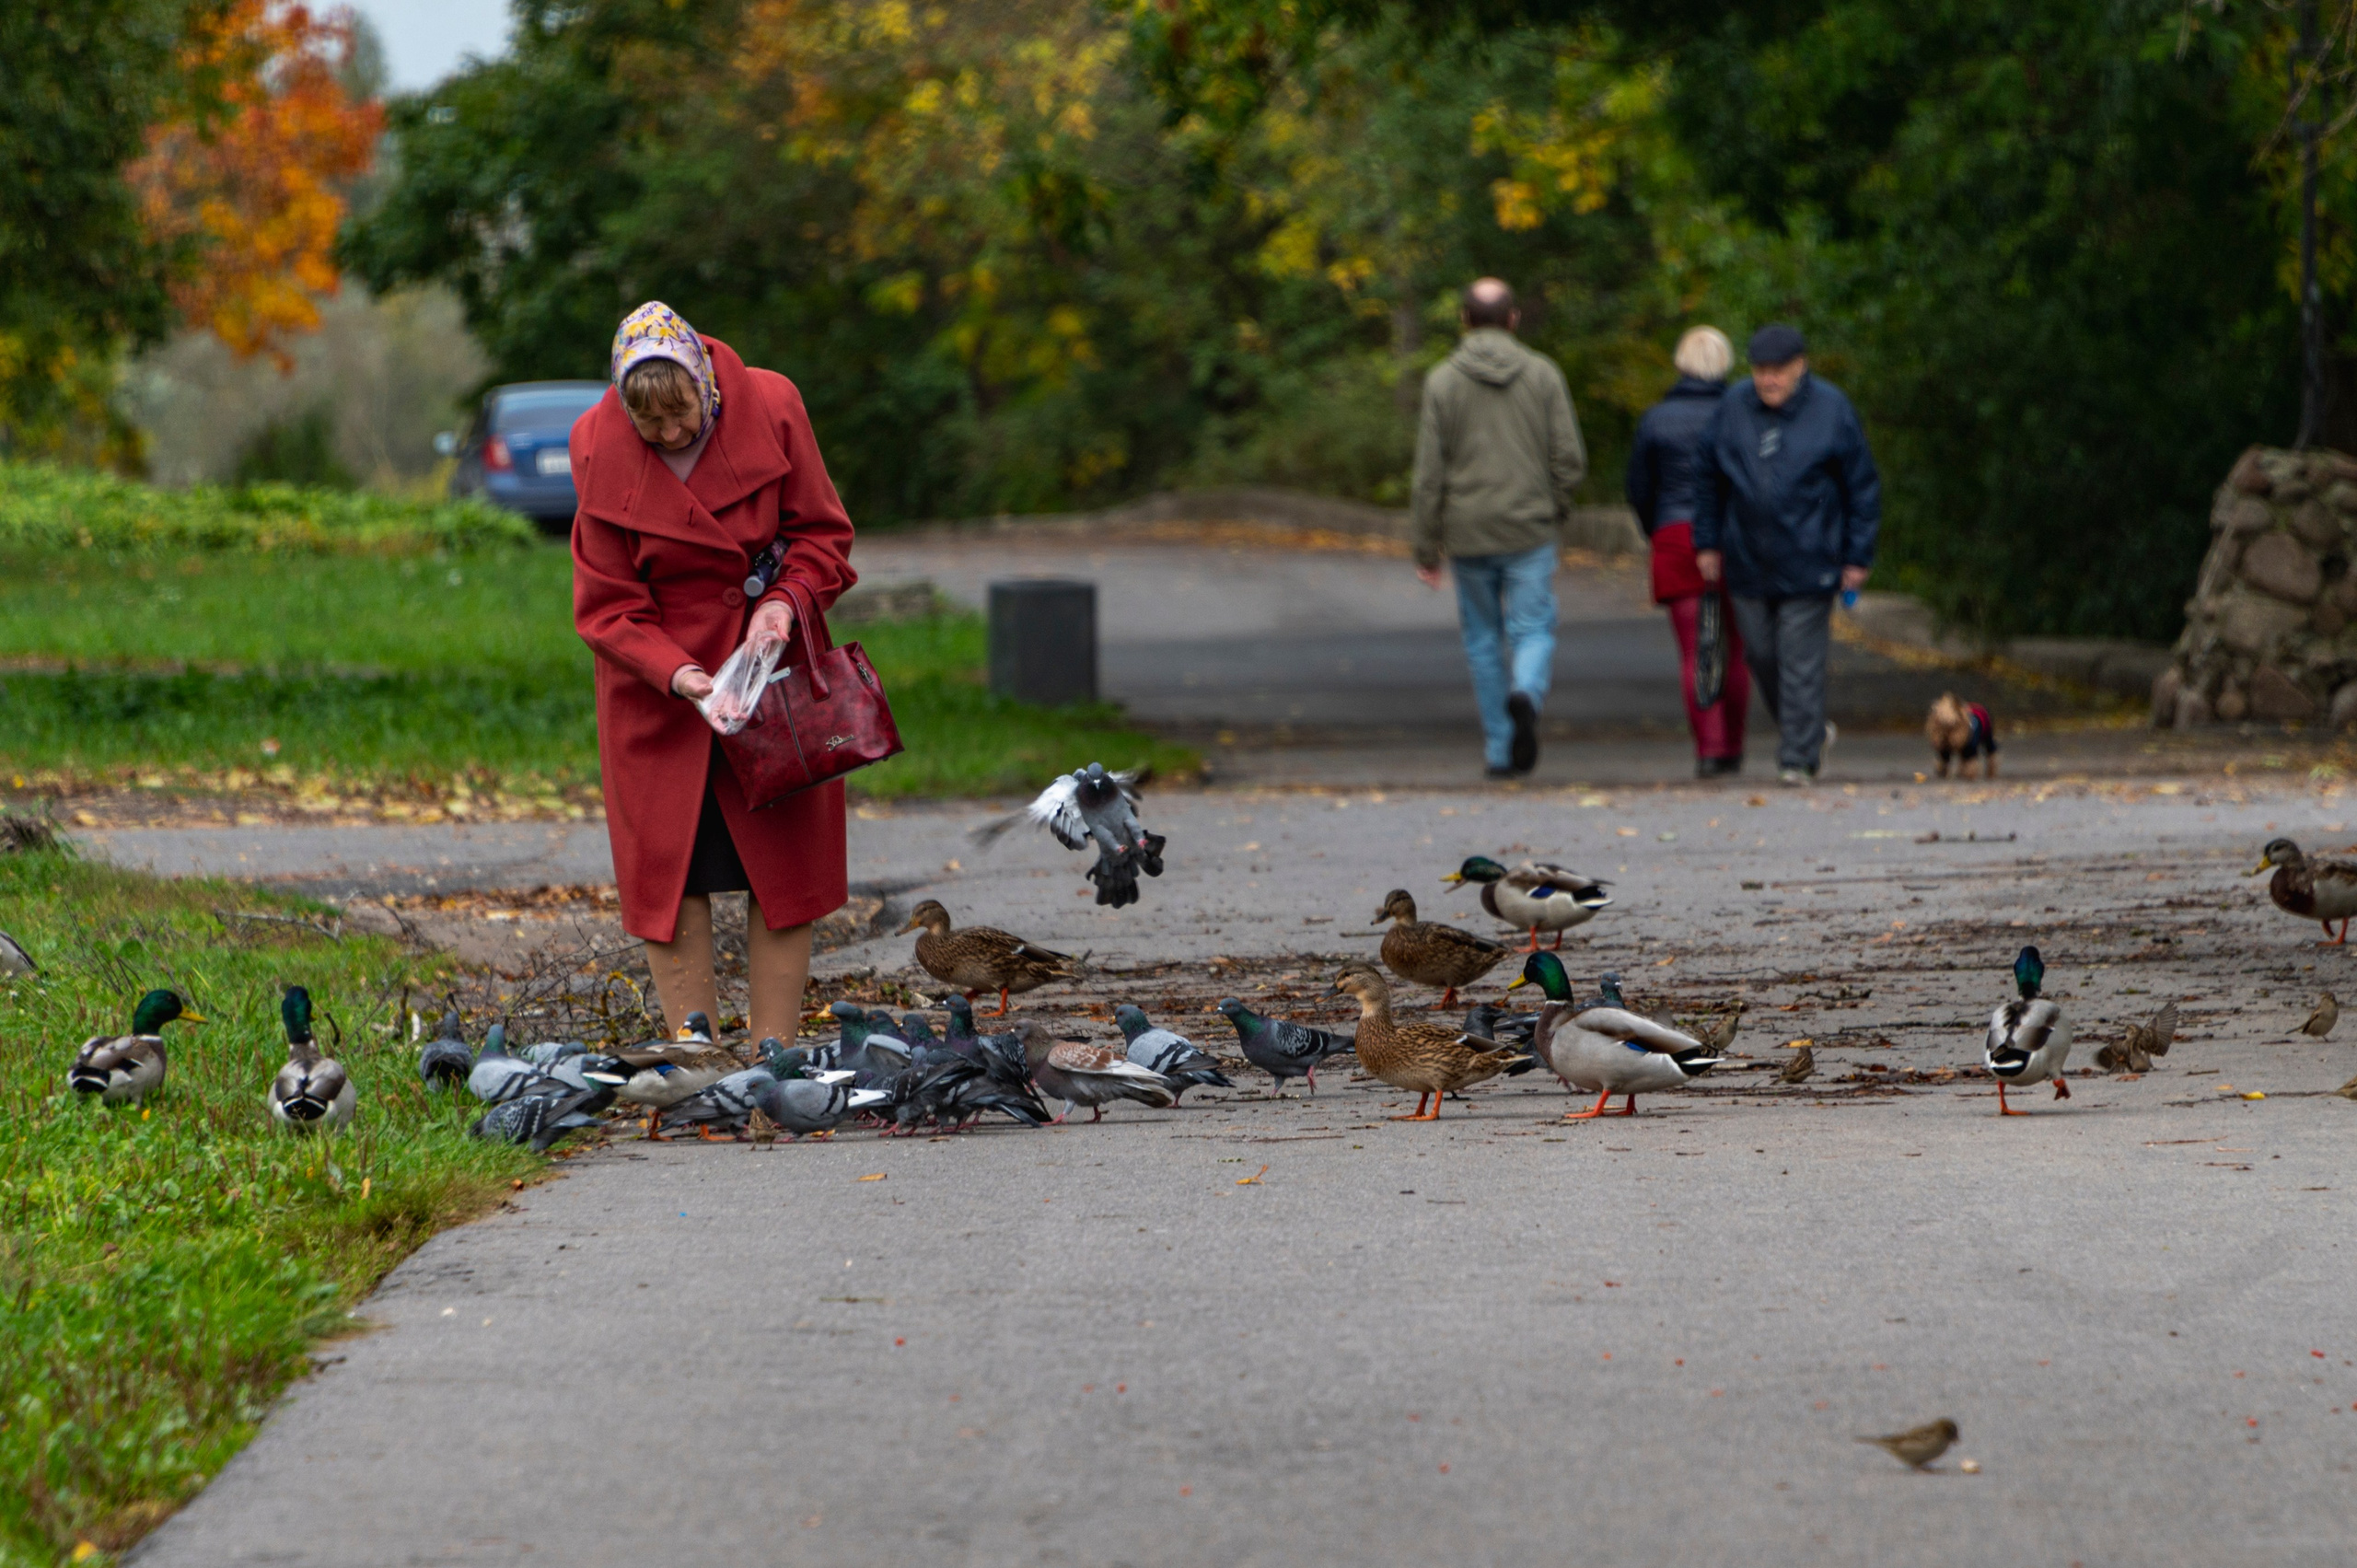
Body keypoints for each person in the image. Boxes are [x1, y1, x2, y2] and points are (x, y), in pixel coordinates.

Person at [571, 301, 857, 1040]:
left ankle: (774, 1057)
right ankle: (695, 1061)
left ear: (706, 383)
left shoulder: (773, 404)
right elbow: (605, 603)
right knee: (670, 877)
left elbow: (823, 535)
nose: (670, 434)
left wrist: (785, 604)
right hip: (659, 690)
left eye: (681, 415)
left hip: (772, 673)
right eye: (650, 425)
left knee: (785, 870)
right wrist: (679, 674)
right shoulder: (595, 445)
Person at [1410, 277, 1587, 778]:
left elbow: (1428, 475)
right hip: (1529, 528)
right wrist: (1554, 508)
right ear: (1513, 319)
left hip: (1468, 532)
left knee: (1483, 640)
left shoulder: (1442, 381)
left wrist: (1426, 547)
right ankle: (1526, 691)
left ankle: (1500, 750)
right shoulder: (1543, 374)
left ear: (1464, 320)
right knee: (1533, 628)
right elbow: (1569, 458)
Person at [1691, 323, 1880, 786]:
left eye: (1777, 371)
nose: (1768, 380)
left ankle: (1798, 758)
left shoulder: (1832, 410)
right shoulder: (1733, 407)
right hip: (1747, 558)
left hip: (1812, 558)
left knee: (1800, 661)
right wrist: (1707, 541)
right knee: (1760, 655)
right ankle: (1809, 732)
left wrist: (1857, 556)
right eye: (1760, 370)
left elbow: (1861, 487)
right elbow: (1708, 478)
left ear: (1800, 367)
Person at [1625, 325, 1749, 778]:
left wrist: (1657, 529)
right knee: (1735, 649)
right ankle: (1732, 745)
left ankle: (1709, 747)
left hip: (1676, 535)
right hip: (1735, 538)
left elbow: (1639, 487)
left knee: (1696, 649)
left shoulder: (1656, 419)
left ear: (1680, 363)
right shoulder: (1742, 415)